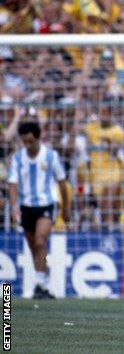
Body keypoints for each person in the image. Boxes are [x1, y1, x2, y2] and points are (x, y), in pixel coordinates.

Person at [8, 121, 70, 299]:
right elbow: (12, 184)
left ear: (37, 138)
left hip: (46, 205)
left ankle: (40, 284)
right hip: (25, 207)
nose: (27, 145)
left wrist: (66, 208)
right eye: (24, 142)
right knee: (34, 247)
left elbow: (62, 183)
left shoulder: (50, 156)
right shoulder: (18, 159)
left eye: (30, 141)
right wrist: (13, 207)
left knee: (40, 241)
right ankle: (43, 284)